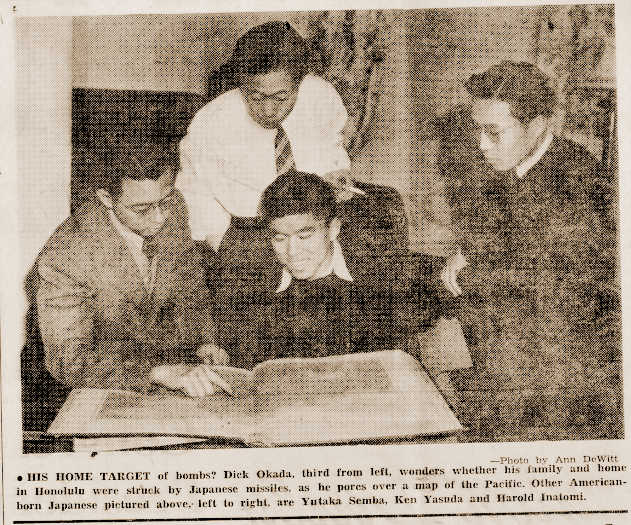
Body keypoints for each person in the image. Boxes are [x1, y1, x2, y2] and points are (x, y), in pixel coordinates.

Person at [439, 61, 619, 439]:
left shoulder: (577, 181)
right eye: (478, 131)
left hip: (561, 372)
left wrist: (473, 272)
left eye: (494, 133)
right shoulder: (515, 163)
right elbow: (497, 230)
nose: (481, 146)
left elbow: (557, 285)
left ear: (537, 126)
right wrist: (465, 250)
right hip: (513, 348)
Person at [36, 143, 230, 397]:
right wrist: (156, 373)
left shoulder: (173, 208)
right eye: (141, 210)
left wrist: (206, 340)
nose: (160, 218)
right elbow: (69, 362)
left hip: (173, 368)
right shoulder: (66, 257)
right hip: (102, 382)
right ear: (106, 198)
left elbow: (190, 287)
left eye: (165, 201)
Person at [214, 170, 448, 372]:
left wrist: (457, 265)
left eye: (305, 236)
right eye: (280, 238)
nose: (292, 251)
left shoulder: (376, 265)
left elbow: (441, 275)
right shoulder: (251, 280)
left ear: (333, 229)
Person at [178, 21, 351, 252]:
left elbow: (332, 143)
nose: (268, 111)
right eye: (256, 97)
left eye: (281, 97)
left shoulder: (321, 97)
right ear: (241, 84)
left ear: (300, 82)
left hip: (316, 220)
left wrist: (337, 170)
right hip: (252, 229)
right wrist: (224, 245)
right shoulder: (210, 124)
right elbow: (195, 190)